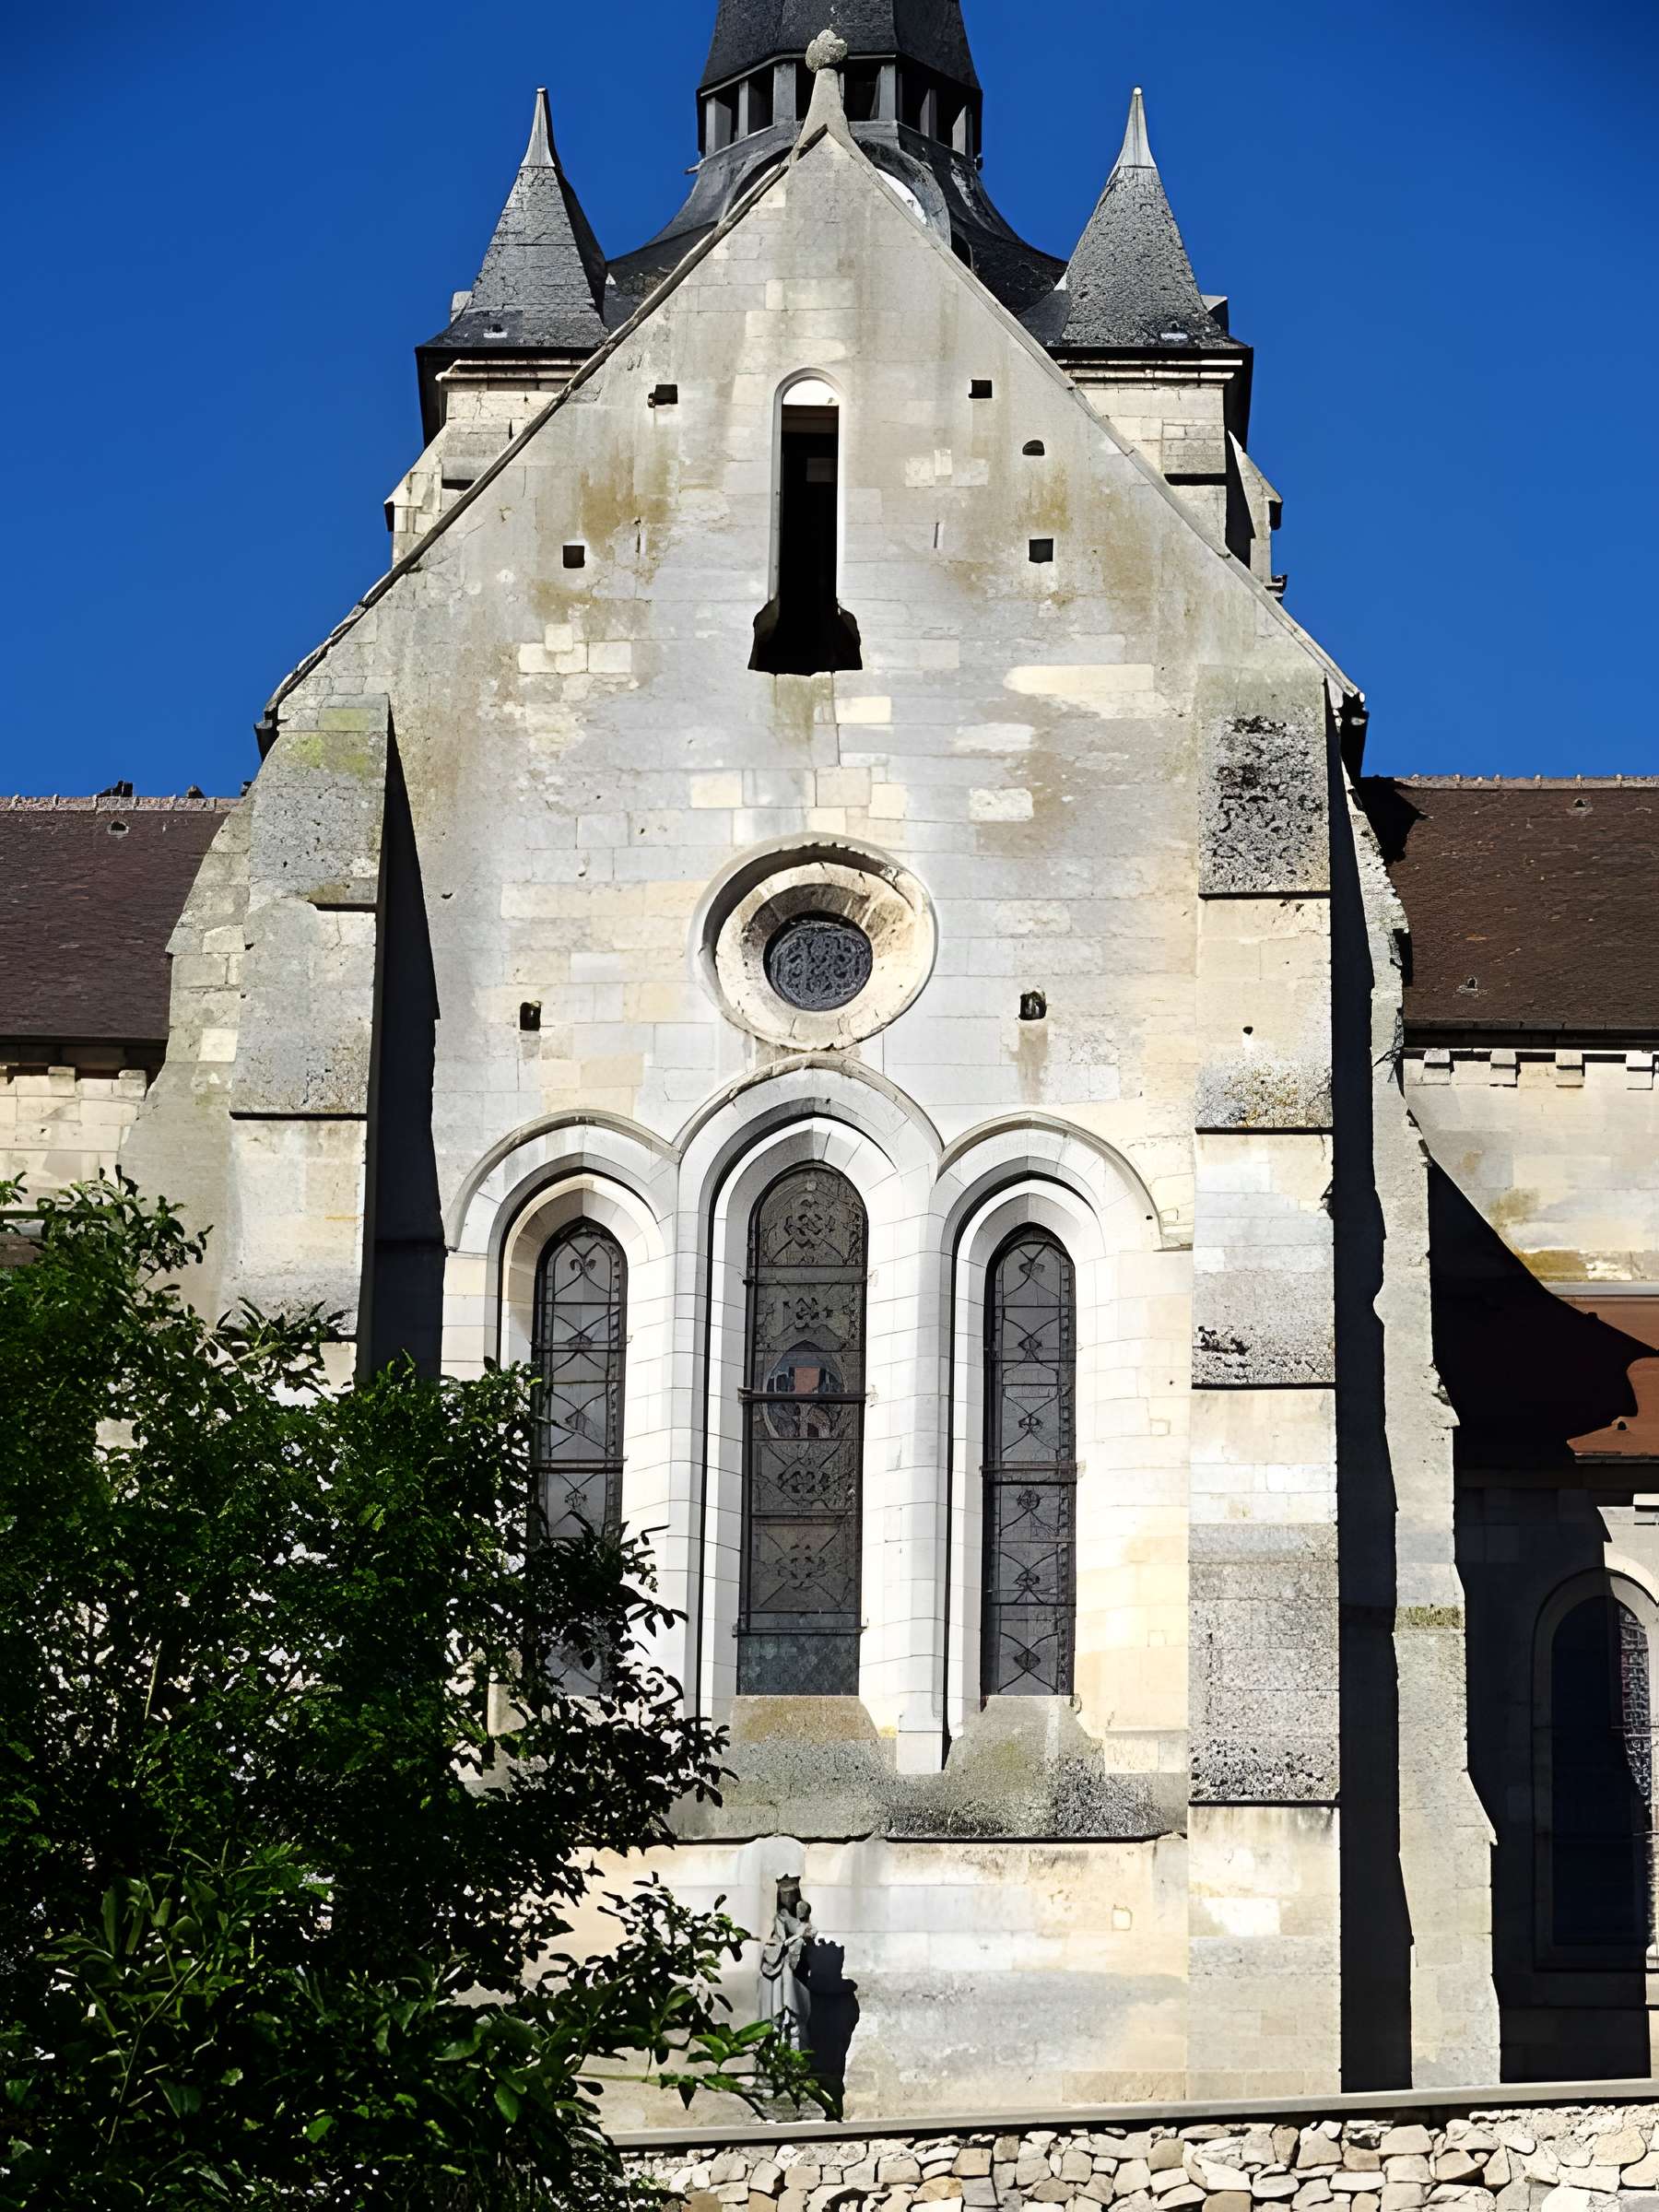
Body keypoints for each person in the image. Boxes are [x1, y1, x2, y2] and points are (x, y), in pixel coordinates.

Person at [758, 1876, 815, 2053]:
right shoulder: (780, 1917)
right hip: (780, 1971)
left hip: (796, 1973)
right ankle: (778, 2046)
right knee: (780, 2011)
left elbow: (806, 1936)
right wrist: (779, 1946)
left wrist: (798, 1940)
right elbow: (776, 1940)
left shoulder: (801, 1920)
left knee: (795, 2011)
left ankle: (795, 2047)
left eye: (790, 1894)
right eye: (784, 1894)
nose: (787, 1899)